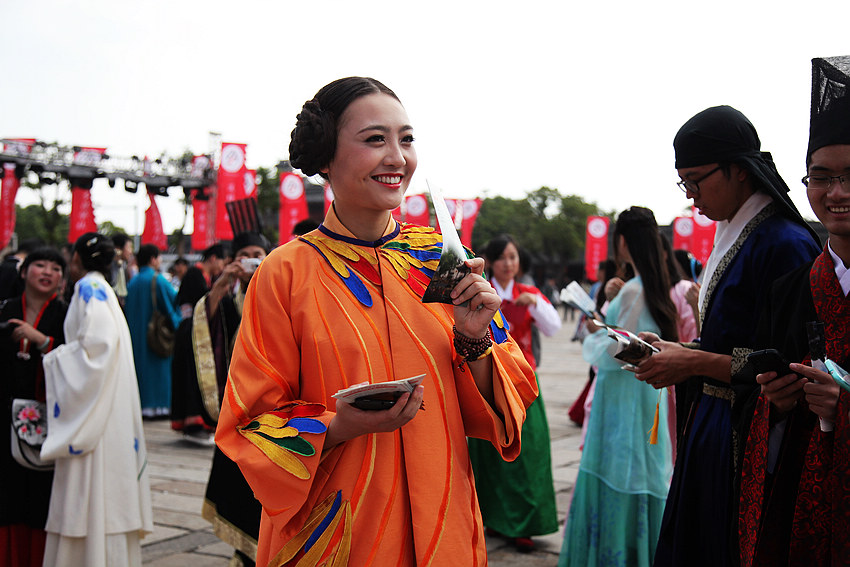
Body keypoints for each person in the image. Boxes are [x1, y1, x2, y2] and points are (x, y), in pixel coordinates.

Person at [215, 76, 537, 566]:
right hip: (338, 528)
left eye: (406, 139)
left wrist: (473, 340)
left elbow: (509, 402)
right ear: (325, 156)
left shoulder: (444, 259)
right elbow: (249, 422)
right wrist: (334, 426)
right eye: (375, 139)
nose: (397, 157)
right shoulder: (284, 274)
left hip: (444, 513)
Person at [634, 105, 821, 567]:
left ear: (739, 170)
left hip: (750, 435)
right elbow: (731, 339)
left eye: (696, 180)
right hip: (715, 420)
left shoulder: (784, 242)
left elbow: (789, 365)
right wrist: (683, 352)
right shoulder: (735, 232)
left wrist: (693, 362)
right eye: (684, 184)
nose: (690, 195)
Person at [736, 57, 850, 567]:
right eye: (821, 177)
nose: (837, 193)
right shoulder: (792, 289)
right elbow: (763, 416)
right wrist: (778, 404)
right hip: (802, 496)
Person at [559, 207, 676, 566]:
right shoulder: (657, 288)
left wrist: (595, 332)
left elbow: (612, 353)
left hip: (620, 402)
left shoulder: (631, 292)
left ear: (621, 242)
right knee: (645, 473)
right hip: (646, 397)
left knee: (618, 471)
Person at [40, 232, 153, 567]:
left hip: (95, 412)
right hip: (108, 406)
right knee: (106, 495)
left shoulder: (88, 289)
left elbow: (97, 349)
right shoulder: (102, 289)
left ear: (76, 258)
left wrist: (52, 357)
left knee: (90, 490)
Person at [468, 234, 561, 552]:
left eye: (514, 257)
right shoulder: (478, 288)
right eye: (503, 258)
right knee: (488, 454)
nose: (510, 264)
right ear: (491, 262)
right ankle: (491, 517)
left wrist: (535, 303)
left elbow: (554, 328)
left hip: (522, 383)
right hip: (487, 377)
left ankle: (524, 523)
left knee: (527, 455)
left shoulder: (528, 293)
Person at [199, 231, 271, 565]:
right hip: (239, 406)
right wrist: (220, 285)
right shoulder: (229, 297)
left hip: (275, 404)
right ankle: (243, 554)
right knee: (239, 486)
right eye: (245, 254)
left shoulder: (279, 288)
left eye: (259, 253)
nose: (253, 259)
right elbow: (207, 325)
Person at [0, 247, 67, 567]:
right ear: (23, 271)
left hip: (50, 420)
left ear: (62, 280)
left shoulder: (66, 315)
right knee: (7, 494)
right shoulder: (5, 309)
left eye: (55, 268)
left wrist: (42, 341)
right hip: (5, 417)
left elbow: (80, 362)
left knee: (42, 496)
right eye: (39, 264)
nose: (47, 271)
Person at [125, 244, 181, 418]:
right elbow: (173, 303)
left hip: (135, 335)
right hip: (156, 336)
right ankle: (159, 407)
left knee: (140, 370)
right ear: (152, 259)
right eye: (158, 257)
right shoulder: (158, 279)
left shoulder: (133, 282)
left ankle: (142, 406)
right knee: (159, 371)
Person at [109, 233, 134, 309]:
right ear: (118, 248)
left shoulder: (123, 266)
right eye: (129, 247)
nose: (131, 252)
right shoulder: (109, 267)